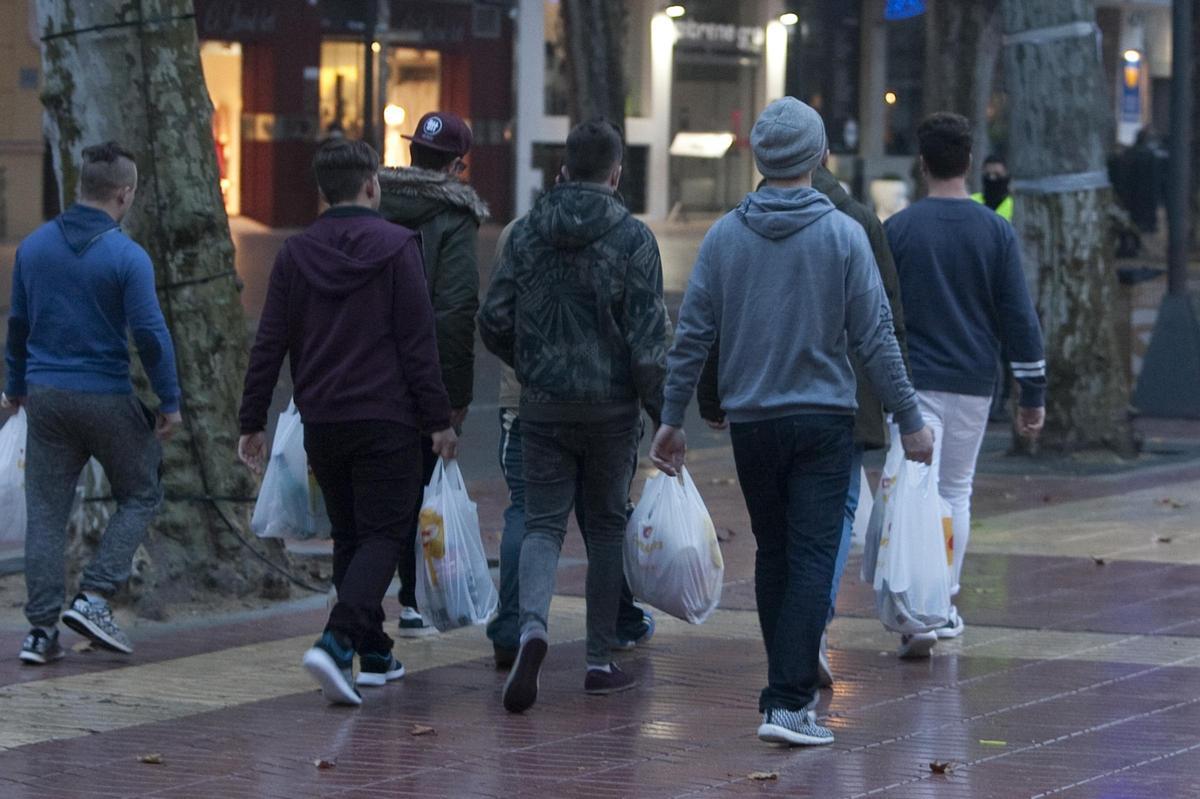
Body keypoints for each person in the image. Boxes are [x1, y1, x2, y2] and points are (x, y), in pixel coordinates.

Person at [649, 98, 934, 747]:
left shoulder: (725, 236)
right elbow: (876, 337)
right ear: (819, 154)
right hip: (824, 419)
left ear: (757, 156)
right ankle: (787, 702)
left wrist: (672, 418)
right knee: (810, 555)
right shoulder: (843, 234)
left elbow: (693, 334)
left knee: (775, 552)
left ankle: (784, 693)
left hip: (753, 421)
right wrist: (910, 418)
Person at [237, 139, 457, 706]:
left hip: (324, 420)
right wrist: (438, 419)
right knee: (385, 533)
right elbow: (418, 342)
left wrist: (252, 419)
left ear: (321, 193)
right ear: (371, 186)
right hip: (387, 418)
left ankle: (375, 652)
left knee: (351, 536)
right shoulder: (398, 246)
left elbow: (269, 343)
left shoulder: (294, 254)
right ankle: (336, 642)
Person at [479, 118, 671, 713]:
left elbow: (493, 320)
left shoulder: (528, 232)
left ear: (562, 169)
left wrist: (534, 363)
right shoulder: (634, 238)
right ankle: (598, 658)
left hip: (542, 406)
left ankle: (532, 626)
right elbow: (648, 342)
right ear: (616, 172)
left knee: (542, 524)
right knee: (607, 526)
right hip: (612, 410)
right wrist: (662, 412)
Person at [695, 163, 911, 688]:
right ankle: (799, 663)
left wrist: (704, 399)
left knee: (775, 546)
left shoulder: (735, 226)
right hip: (836, 403)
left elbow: (710, 322)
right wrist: (903, 408)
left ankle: (788, 669)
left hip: (757, 402)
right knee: (826, 531)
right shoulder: (854, 223)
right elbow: (884, 326)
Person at [3, 141, 181, 664]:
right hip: (105, 395)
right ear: (124, 194)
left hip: (47, 399)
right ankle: (94, 595)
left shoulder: (33, 248)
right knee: (142, 490)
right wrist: (169, 399)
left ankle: (39, 633)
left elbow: (17, 327)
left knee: (46, 513)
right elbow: (150, 334)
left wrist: (15, 385)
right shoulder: (126, 255)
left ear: (79, 187)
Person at [884, 112, 1046, 658]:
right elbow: (1018, 317)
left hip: (914, 383)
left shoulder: (899, 230)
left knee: (914, 492)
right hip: (976, 382)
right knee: (957, 491)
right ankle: (945, 600)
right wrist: (1032, 394)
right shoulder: (996, 231)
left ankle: (915, 611)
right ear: (970, 163)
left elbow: (879, 314)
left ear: (922, 163)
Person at [378, 111, 486, 638]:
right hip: (419, 375)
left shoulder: (372, 203)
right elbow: (456, 308)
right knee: (420, 485)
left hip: (362, 368)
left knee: (374, 490)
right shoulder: (454, 216)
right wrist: (453, 395)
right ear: (457, 165)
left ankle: (359, 616)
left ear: (412, 154)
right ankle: (414, 599)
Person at [971, 155, 1013, 222]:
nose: (992, 178)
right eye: (988, 175)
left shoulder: (1016, 205)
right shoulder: (971, 201)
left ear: (1006, 174)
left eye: (997, 175)